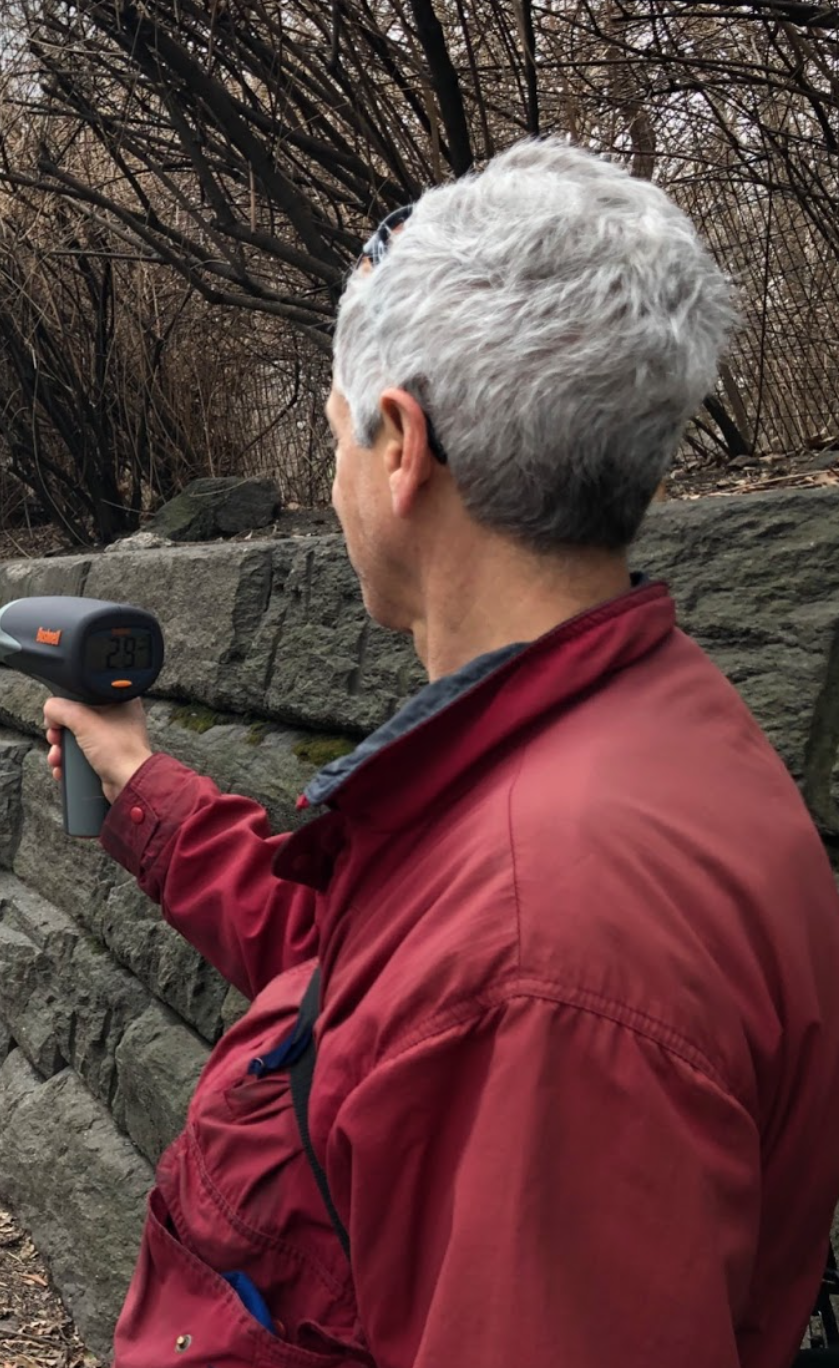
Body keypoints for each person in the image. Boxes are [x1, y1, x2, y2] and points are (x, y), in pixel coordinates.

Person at [43, 138, 839, 1368]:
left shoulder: (551, 958)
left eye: (337, 438)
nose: (334, 478)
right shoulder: (604, 743)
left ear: (402, 444)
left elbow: (477, 990)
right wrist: (144, 787)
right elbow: (369, 985)